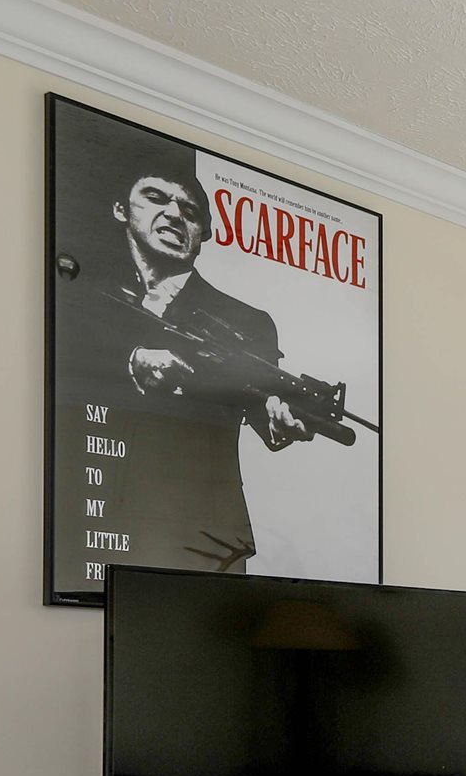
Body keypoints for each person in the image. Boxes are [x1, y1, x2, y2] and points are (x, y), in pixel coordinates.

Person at [53, 139, 308, 576]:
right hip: (89, 517)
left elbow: (263, 403)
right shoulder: (80, 294)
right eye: (155, 198)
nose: (173, 213)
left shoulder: (248, 321)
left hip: (204, 537)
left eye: (190, 211)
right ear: (120, 209)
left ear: (203, 235)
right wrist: (133, 359)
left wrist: (276, 418)